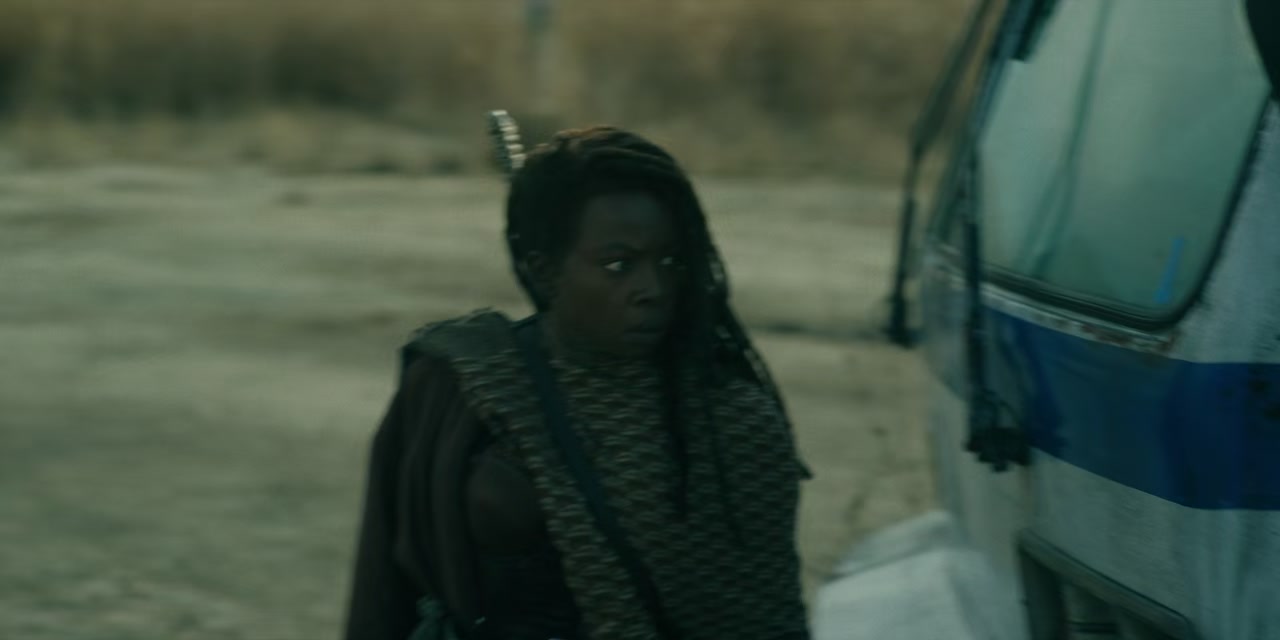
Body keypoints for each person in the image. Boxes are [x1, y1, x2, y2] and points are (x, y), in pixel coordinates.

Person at [343, 126, 811, 640]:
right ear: (543, 272)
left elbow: (765, 623)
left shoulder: (731, 421)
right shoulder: (461, 380)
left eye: (670, 261)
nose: (652, 289)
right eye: (618, 265)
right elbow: (382, 593)